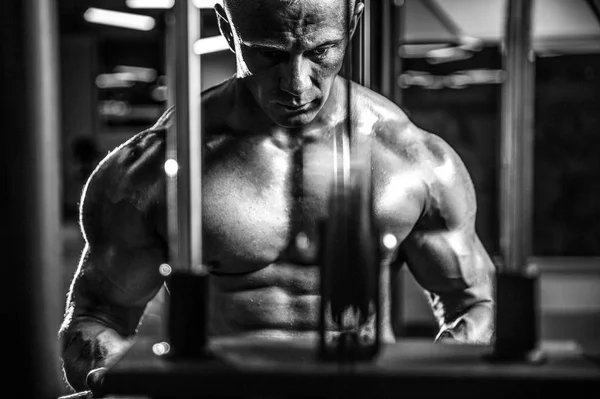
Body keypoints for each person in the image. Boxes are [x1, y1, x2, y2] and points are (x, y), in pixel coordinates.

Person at [59, 0, 495, 394]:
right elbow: (101, 315)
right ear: (227, 29)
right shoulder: (155, 168)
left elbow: (474, 303)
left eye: (321, 51)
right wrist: (115, 375)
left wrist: (440, 375)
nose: (297, 84)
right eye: (269, 53)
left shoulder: (411, 159)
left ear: (354, 19)